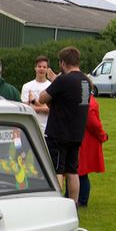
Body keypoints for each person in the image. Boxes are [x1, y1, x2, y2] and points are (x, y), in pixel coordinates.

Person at [37, 46, 90, 203]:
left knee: (57, 171)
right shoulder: (86, 82)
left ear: (62, 63)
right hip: (77, 132)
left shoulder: (63, 80)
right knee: (72, 171)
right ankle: (73, 205)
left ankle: (57, 203)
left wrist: (55, 80)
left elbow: (42, 98)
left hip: (59, 133)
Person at [77, 93, 108, 207]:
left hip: (85, 140)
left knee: (80, 171)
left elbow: (92, 122)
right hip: (84, 138)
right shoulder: (87, 100)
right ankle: (78, 198)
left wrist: (102, 135)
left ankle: (82, 199)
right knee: (79, 171)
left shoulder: (87, 102)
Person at [21, 55, 57, 133]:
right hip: (31, 127)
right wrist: (43, 107)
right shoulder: (27, 86)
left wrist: (35, 104)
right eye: (39, 66)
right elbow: (26, 108)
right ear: (35, 68)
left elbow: (52, 109)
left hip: (48, 128)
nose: (41, 69)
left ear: (47, 69)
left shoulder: (51, 86)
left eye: (44, 67)